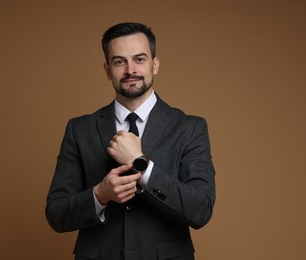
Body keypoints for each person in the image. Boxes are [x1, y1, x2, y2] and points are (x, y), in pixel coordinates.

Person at [45, 22, 216, 260]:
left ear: (155, 65)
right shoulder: (79, 129)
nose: (130, 70)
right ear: (107, 70)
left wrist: (140, 163)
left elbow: (200, 210)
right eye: (119, 61)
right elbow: (56, 213)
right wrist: (100, 194)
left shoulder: (189, 127)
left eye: (139, 59)